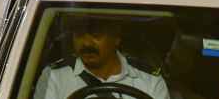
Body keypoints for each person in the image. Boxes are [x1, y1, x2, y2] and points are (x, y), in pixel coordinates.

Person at [33, 17, 169, 99]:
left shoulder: (150, 81)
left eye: (96, 35)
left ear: (116, 38)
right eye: (79, 35)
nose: (86, 43)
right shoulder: (55, 76)